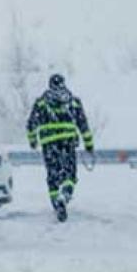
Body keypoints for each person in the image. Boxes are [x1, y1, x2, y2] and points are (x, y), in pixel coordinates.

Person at [27, 74, 94, 222]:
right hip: (67, 142)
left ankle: (56, 201)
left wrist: (33, 141)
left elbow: (31, 124)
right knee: (70, 174)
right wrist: (88, 144)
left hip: (49, 144)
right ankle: (66, 194)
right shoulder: (73, 102)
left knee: (53, 174)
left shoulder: (41, 103)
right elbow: (83, 124)